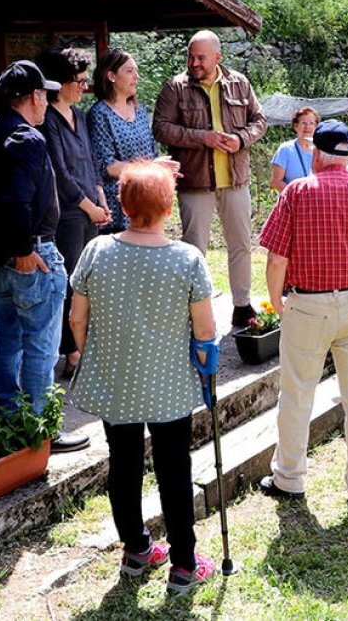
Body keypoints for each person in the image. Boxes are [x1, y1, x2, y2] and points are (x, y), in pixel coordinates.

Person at [68, 161, 218, 595]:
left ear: (123, 203)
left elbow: (78, 319)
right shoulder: (187, 259)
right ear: (169, 207)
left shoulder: (96, 251)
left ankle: (136, 549)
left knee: (124, 463)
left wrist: (94, 350)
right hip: (169, 384)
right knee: (174, 468)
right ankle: (184, 565)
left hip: (118, 381)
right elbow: (205, 333)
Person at [258, 120, 348, 502]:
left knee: (296, 396)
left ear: (315, 154)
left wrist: (277, 300)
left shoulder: (297, 192)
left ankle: (289, 478)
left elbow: (277, 259)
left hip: (307, 304)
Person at [0, 60, 89, 452]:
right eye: (45, 95)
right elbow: (15, 201)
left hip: (2, 256)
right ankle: (42, 430)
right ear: (36, 97)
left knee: (7, 338)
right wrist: (24, 250)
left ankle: (13, 422)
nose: (47, 102)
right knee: (39, 343)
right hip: (30, 252)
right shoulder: (27, 139)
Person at [153, 30, 268, 329]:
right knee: (194, 250)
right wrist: (203, 138)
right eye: (191, 56)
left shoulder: (240, 82)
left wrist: (240, 139)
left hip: (235, 180)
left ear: (218, 57)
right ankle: (195, 309)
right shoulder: (174, 88)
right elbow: (161, 129)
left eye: (201, 57)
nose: (194, 63)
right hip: (195, 181)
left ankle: (242, 305)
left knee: (241, 244)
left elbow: (260, 121)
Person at [35, 47, 109, 381]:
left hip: (89, 209)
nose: (82, 87)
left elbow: (90, 161)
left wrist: (100, 196)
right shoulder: (47, 119)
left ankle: (87, 343)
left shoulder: (78, 115)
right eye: (77, 81)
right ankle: (73, 352)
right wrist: (88, 205)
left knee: (87, 283)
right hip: (67, 213)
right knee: (70, 284)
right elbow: (60, 173)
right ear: (58, 84)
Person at [87, 49, 162, 234]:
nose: (136, 77)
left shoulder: (141, 111)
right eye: (129, 71)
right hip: (117, 209)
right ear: (111, 76)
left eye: (136, 71)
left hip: (146, 201)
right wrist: (152, 167)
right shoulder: (99, 114)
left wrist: (159, 168)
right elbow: (108, 166)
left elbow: (152, 152)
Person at [269, 106, 317, 192]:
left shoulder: (321, 150)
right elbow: (275, 182)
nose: (308, 127)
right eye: (304, 123)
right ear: (295, 126)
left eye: (311, 123)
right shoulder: (285, 149)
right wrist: (295, 194)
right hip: (292, 202)